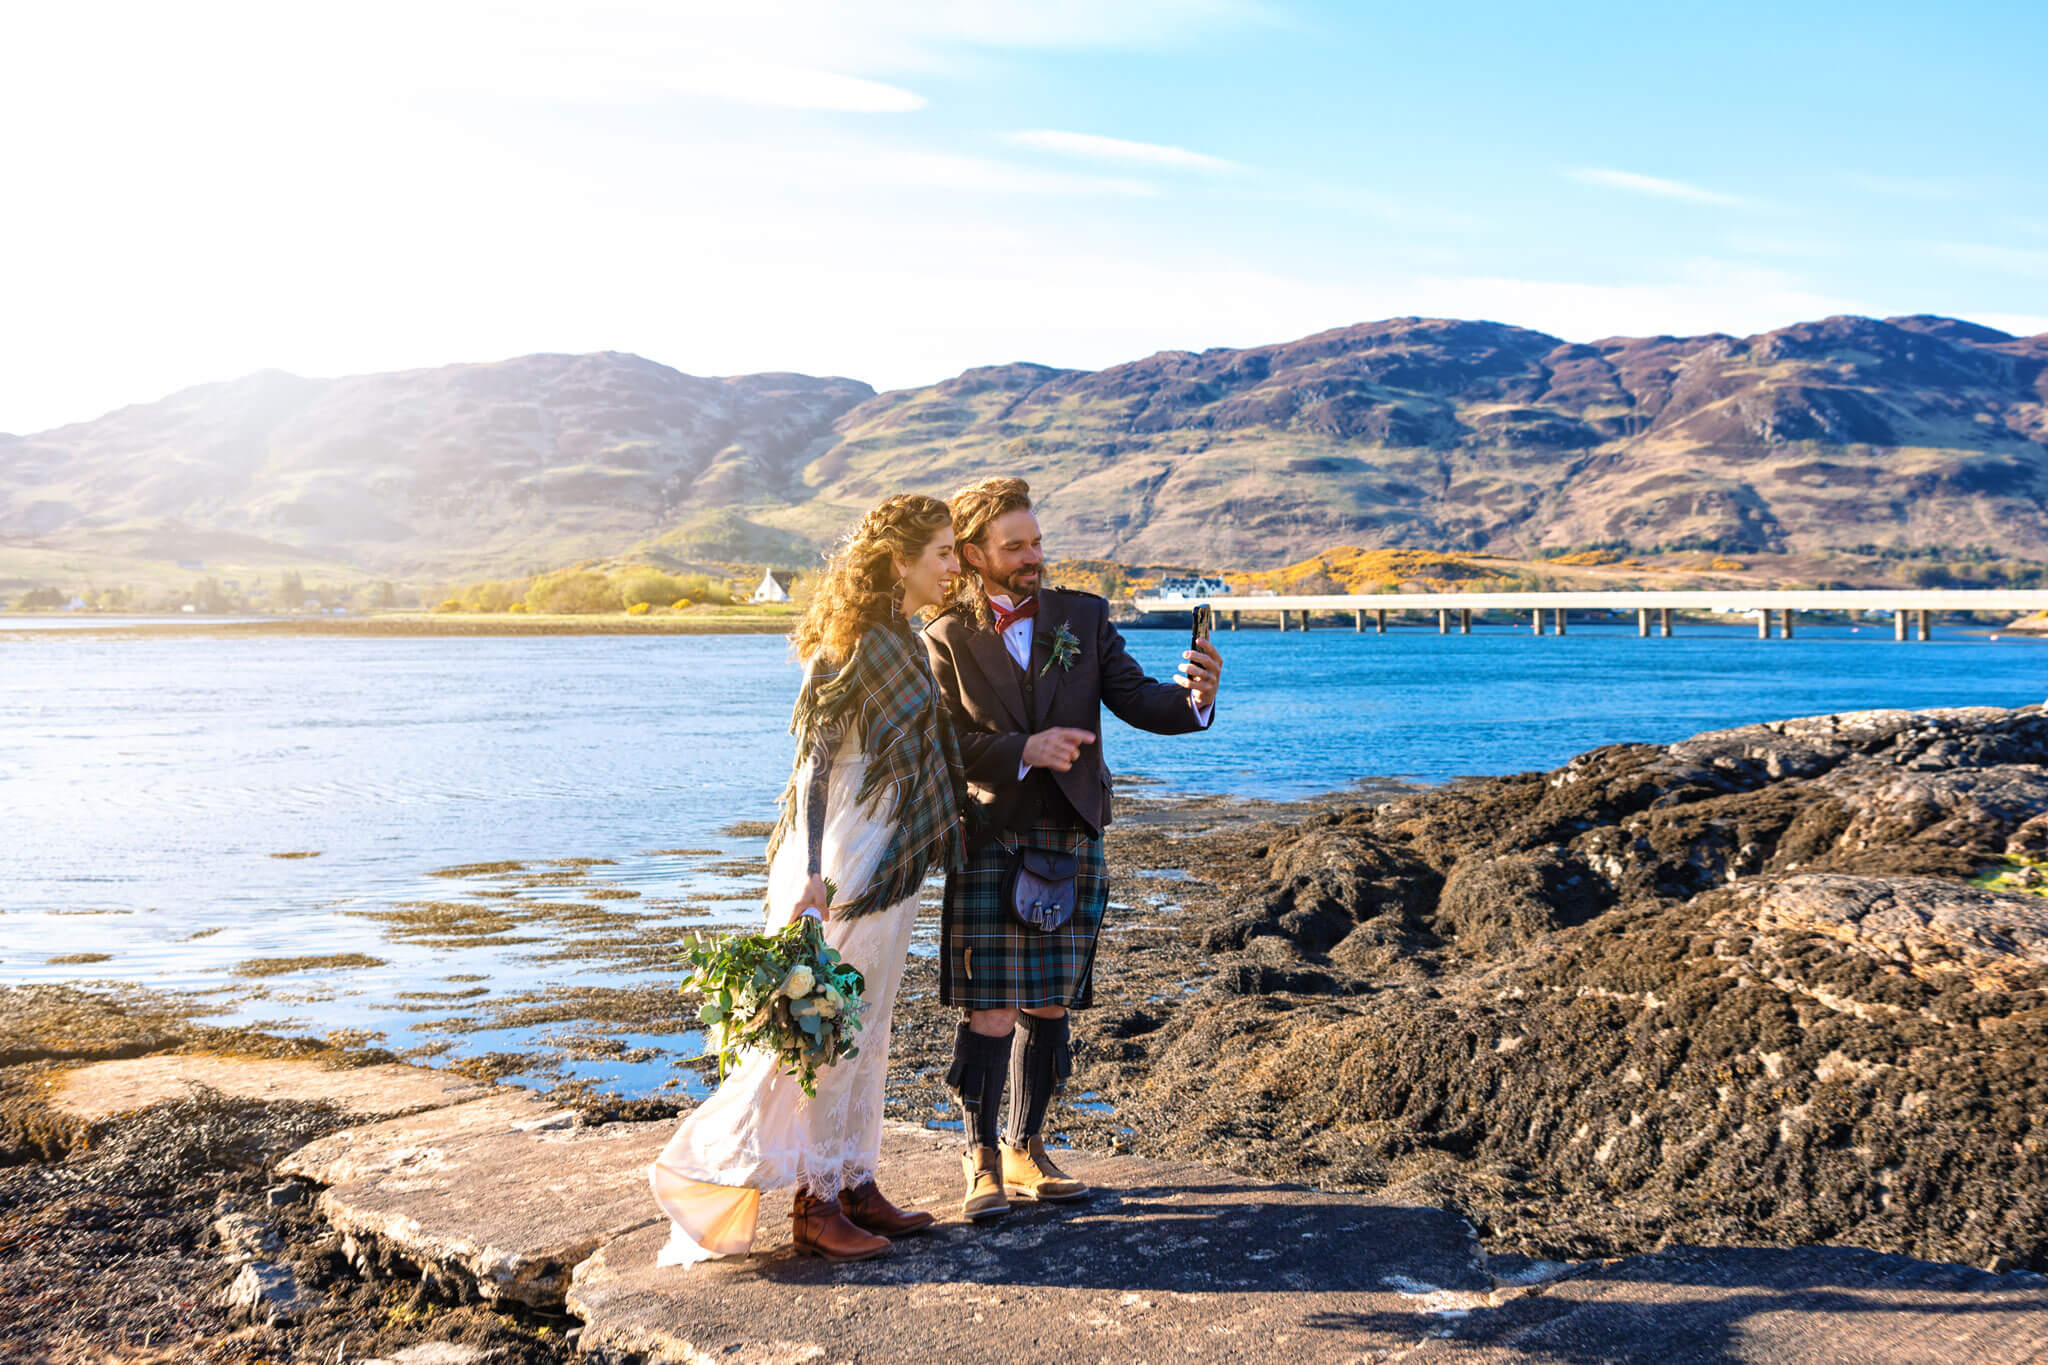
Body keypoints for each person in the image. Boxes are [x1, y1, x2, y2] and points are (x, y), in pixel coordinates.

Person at [649, 494, 967, 1265]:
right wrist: (814, 875)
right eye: (944, 554)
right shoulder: (849, 643)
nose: (956, 567)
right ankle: (811, 1205)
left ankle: (854, 1180)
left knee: (872, 1021)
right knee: (827, 1029)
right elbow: (813, 766)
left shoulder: (908, 637)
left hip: (889, 849)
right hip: (848, 850)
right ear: (901, 560)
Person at [923, 477, 1222, 1221]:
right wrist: (1026, 747)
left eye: (1037, 542)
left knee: (1051, 1002)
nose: (1033, 557)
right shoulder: (944, 637)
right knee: (989, 1007)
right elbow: (945, 746)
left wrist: (1195, 697)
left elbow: (1140, 700)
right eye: (1015, 546)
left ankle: (1028, 1148)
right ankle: (980, 1157)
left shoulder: (1082, 617)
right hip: (992, 834)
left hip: (1071, 832)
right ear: (972, 554)